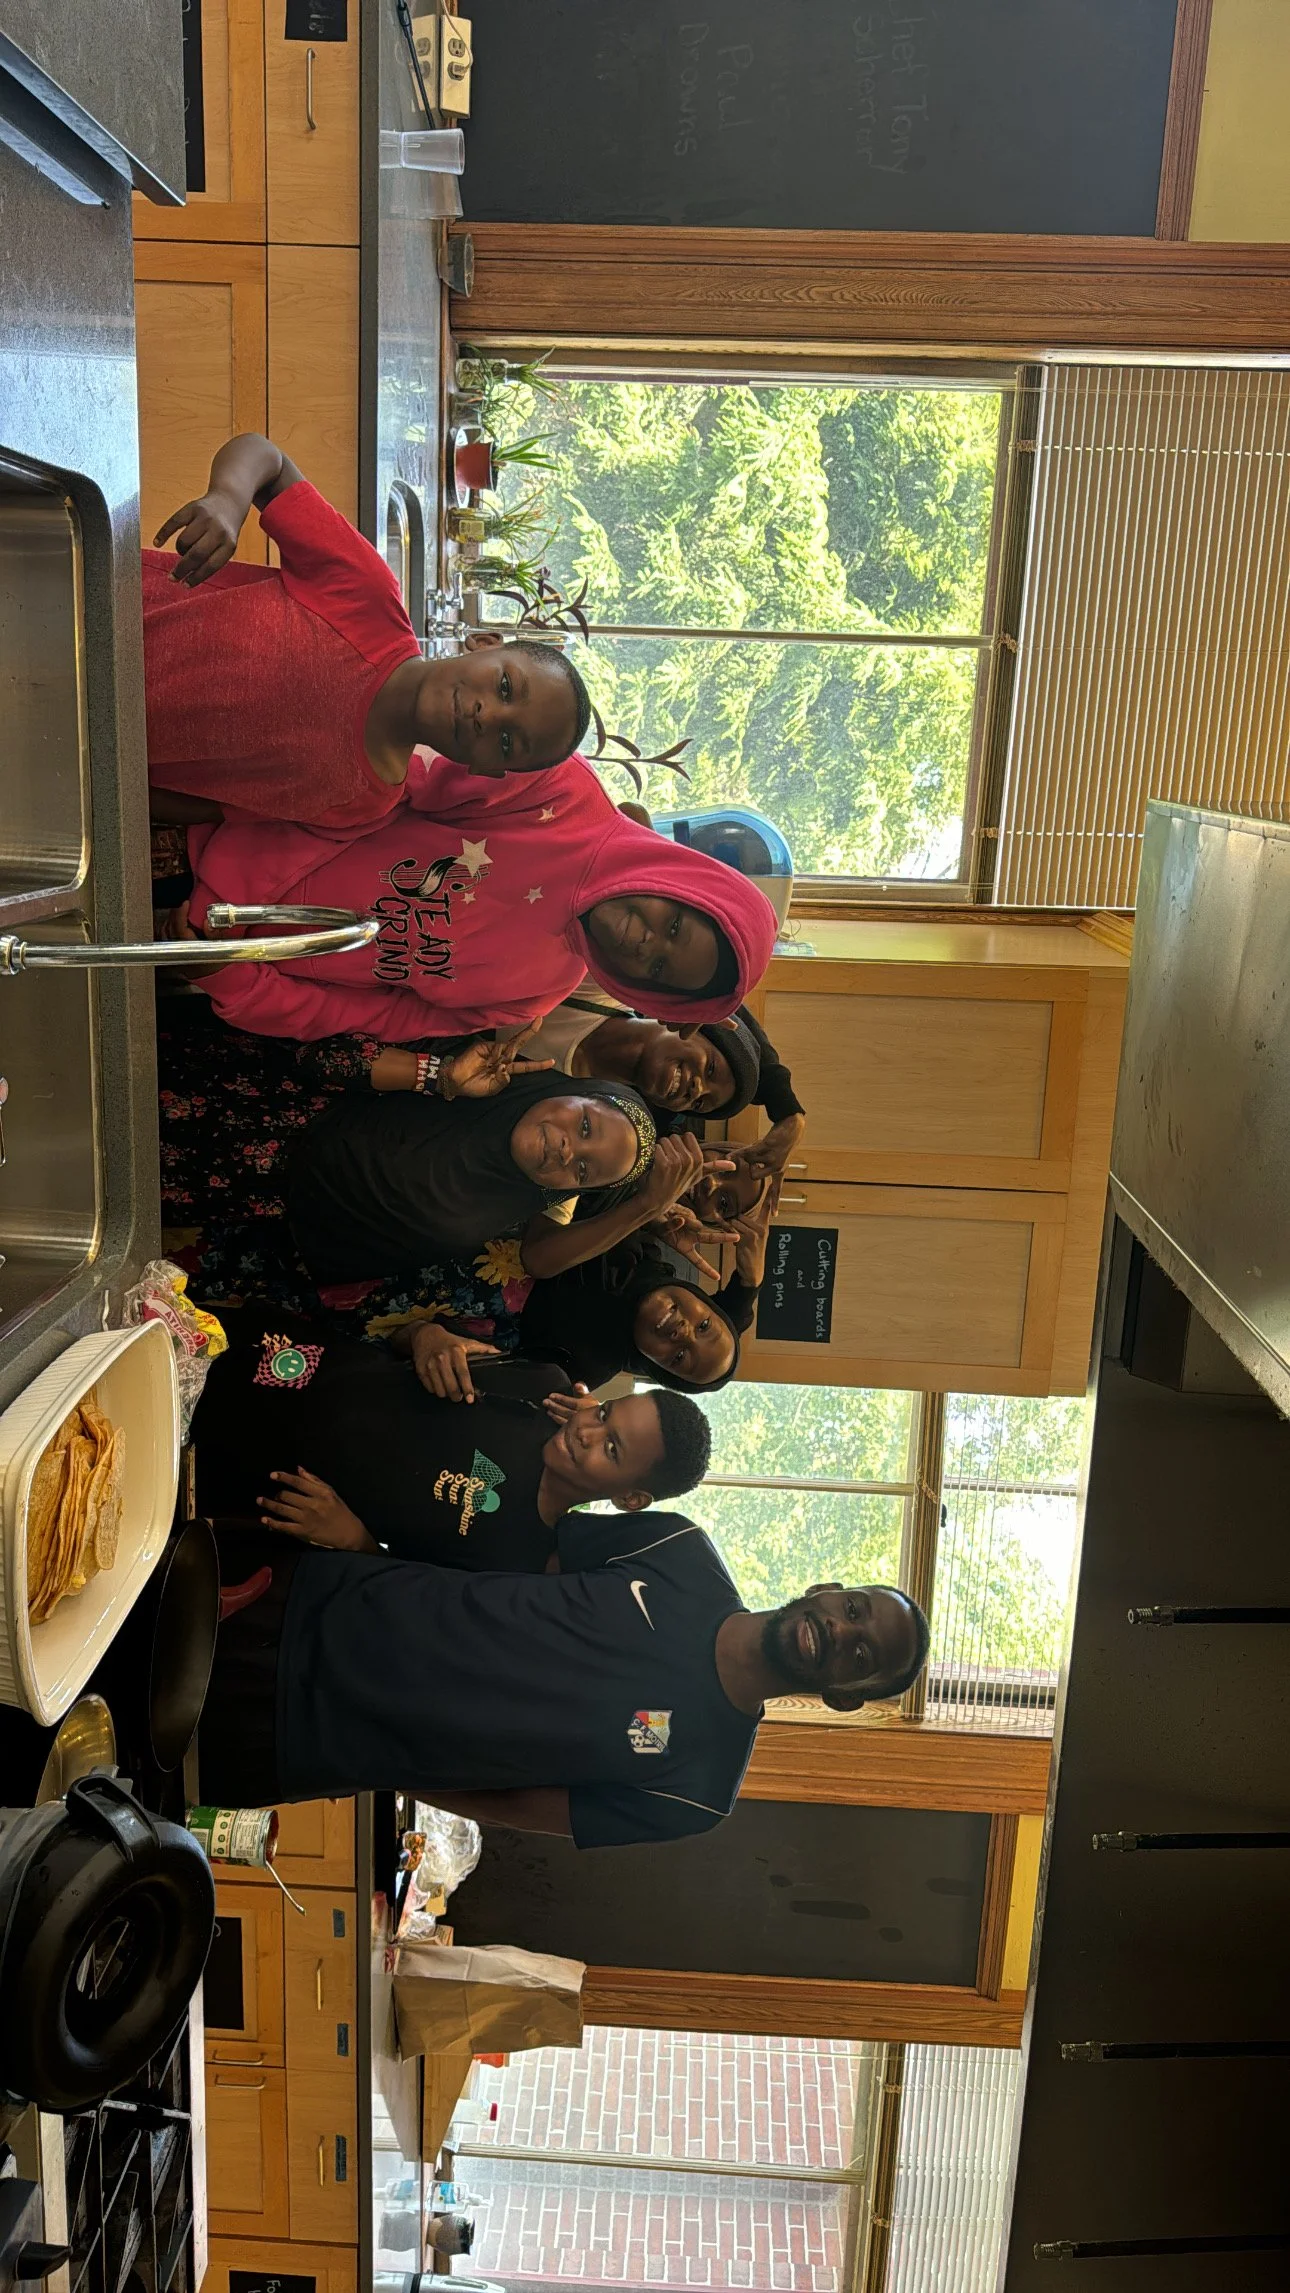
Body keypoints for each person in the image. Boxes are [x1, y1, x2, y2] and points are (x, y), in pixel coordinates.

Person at [197, 1512, 931, 1838]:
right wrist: (363, 1543)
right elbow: (497, 1552)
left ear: (844, 1697)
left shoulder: (698, 1792)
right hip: (311, 1596)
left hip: (291, 1742)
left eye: (862, 1656)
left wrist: (377, 1762)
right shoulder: (680, 1550)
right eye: (855, 1609)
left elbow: (519, 1805)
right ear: (828, 1588)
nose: (843, 1631)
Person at [164, 748, 777, 1041]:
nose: (646, 946)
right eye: (674, 926)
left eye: (661, 969)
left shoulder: (535, 995)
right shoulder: (560, 795)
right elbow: (368, 778)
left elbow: (374, 1017)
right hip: (194, 832)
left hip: (196, 957)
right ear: (684, 883)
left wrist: (232, 978)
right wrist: (235, 890)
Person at [144, 433, 592, 829]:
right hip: (111, 608)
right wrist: (227, 498)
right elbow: (266, 459)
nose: (487, 715)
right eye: (505, 686)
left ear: (488, 770)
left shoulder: (363, 801)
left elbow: (214, 807)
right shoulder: (367, 596)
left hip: (104, 745)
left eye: (508, 742)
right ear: (483, 643)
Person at [190, 1323, 711, 1568]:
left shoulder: (520, 1556)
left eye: (612, 1449)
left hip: (247, 1478)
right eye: (604, 1413)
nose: (586, 1431)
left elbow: (403, 1583)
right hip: (274, 1371)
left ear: (629, 1498)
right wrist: (428, 1335)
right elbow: (402, 1342)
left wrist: (354, 1540)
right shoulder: (541, 1384)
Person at [285, 1069, 664, 1285]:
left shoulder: (503, 1210)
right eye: (585, 1126)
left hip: (271, 1254)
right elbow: (324, 1058)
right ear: (576, 1092)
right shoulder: (474, 1068)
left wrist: (648, 1206)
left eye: (583, 1171)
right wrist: (439, 1073)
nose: (569, 1152)